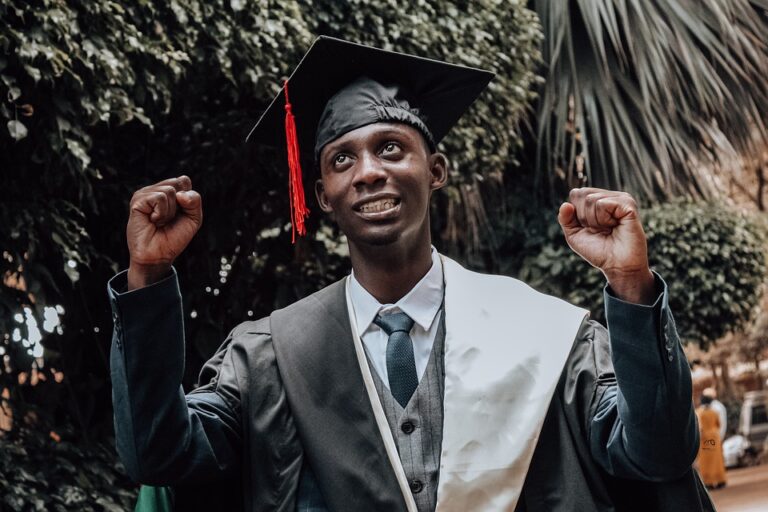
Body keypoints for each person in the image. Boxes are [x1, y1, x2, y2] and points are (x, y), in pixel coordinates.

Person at [108, 37, 714, 511]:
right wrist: (148, 278)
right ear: (322, 196)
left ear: (436, 170)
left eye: (391, 148)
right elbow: (158, 455)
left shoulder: (544, 336)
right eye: (342, 159)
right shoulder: (267, 357)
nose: (368, 172)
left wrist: (630, 285)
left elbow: (657, 454)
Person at [696, 395, 727, 489]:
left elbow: (699, 426)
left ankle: (708, 482)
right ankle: (721, 480)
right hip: (714, 436)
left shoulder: (699, 412)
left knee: (705, 461)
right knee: (717, 460)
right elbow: (719, 424)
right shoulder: (714, 412)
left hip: (704, 438)